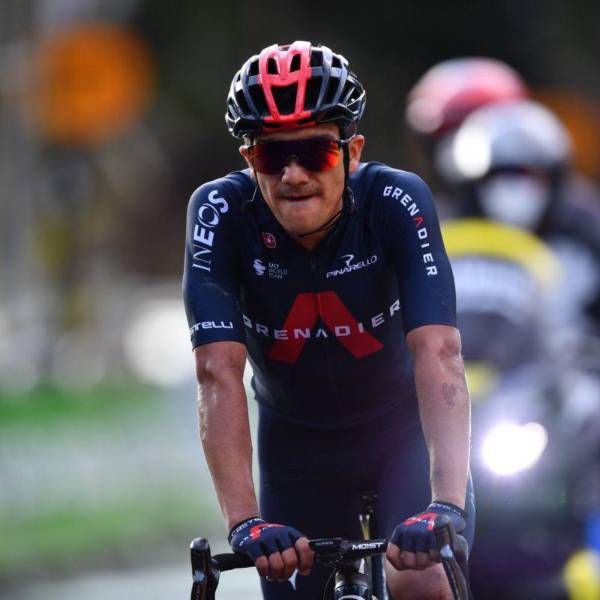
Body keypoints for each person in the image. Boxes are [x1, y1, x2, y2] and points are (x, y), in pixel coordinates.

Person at [183, 41, 474, 600]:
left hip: (402, 434)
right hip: (297, 449)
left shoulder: (396, 199)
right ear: (248, 158)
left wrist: (446, 503)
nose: (293, 175)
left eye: (314, 152)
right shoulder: (219, 212)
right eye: (272, 156)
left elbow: (439, 351)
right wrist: (245, 521)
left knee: (420, 578)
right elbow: (216, 371)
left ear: (351, 151)